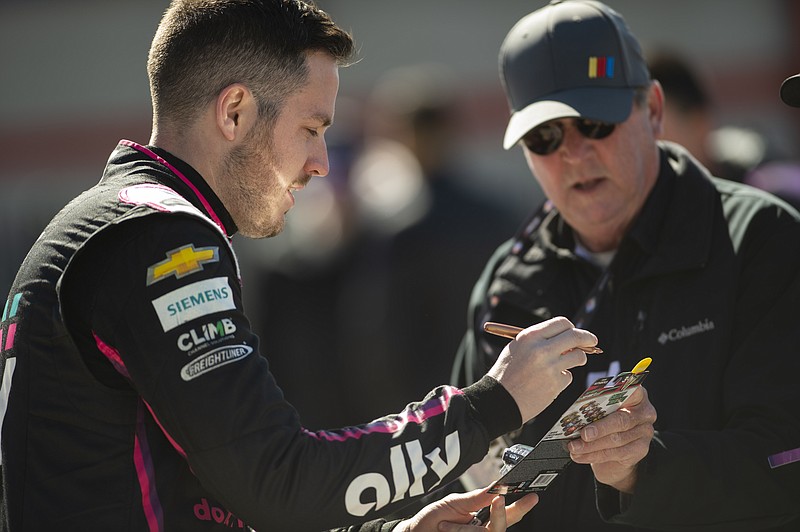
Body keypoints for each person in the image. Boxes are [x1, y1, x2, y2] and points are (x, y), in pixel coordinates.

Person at [0, 1, 601, 530]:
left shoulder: (110, 222)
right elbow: (275, 480)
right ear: (233, 112)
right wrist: (492, 404)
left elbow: (219, 493)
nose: (320, 163)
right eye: (312, 129)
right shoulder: (163, 236)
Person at [451, 1, 800, 530]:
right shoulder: (509, 280)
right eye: (544, 138)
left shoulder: (757, 239)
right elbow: (472, 468)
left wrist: (645, 468)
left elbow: (786, 461)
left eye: (594, 123)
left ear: (654, 110)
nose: (572, 153)